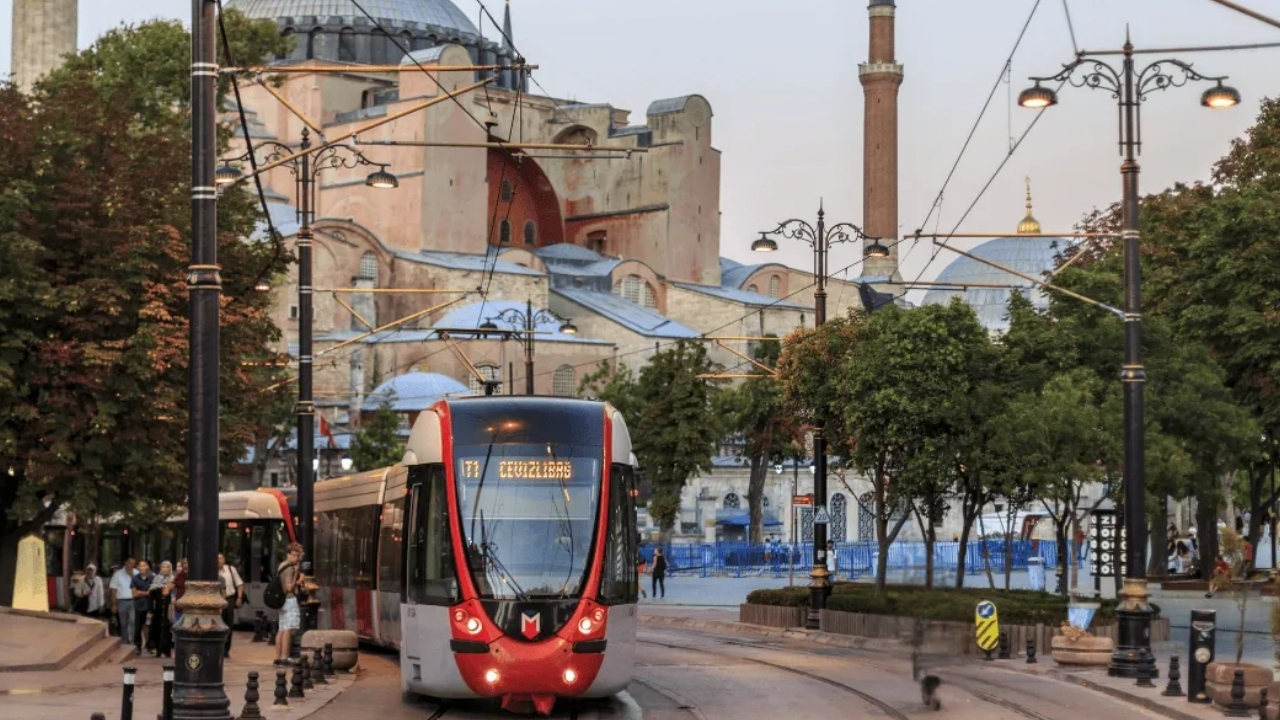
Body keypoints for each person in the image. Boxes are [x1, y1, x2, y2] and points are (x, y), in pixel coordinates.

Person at [275, 543, 303, 665]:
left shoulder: (282, 565)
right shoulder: (289, 568)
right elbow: (289, 588)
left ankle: (279, 656)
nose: (295, 558)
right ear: (288, 554)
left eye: (297, 556)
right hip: (289, 600)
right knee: (289, 629)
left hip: (282, 601)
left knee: (282, 628)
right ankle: (284, 656)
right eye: (293, 555)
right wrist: (298, 577)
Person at [218, 553, 245, 658]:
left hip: (229, 599)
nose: (219, 560)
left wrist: (239, 597)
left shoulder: (230, 569)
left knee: (228, 624)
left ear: (224, 560)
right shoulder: (211, 571)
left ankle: (226, 649)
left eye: (221, 558)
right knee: (218, 624)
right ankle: (218, 648)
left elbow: (239, 583)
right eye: (217, 559)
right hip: (217, 599)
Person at [149, 561, 175, 658]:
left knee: (167, 630)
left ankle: (167, 651)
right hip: (158, 609)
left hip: (169, 609)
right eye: (163, 567)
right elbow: (151, 596)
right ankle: (155, 651)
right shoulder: (156, 579)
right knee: (156, 629)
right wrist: (150, 610)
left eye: (167, 567)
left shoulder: (173, 580)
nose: (165, 569)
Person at [109, 558, 137, 645]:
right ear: (125, 563)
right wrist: (113, 604)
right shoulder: (117, 574)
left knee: (133, 621)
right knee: (123, 622)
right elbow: (113, 590)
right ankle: (125, 641)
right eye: (129, 563)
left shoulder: (136, 573)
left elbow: (140, 586)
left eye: (133, 563)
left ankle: (132, 640)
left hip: (134, 600)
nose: (131, 565)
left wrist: (132, 576)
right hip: (121, 601)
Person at [130, 560, 155, 654]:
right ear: (138, 567)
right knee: (137, 627)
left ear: (147, 567)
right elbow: (134, 594)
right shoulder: (135, 578)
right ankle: (137, 647)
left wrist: (140, 592)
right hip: (138, 606)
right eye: (140, 566)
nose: (142, 567)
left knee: (150, 627)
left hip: (149, 606)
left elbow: (152, 593)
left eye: (144, 565)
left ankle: (150, 646)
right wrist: (145, 593)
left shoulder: (152, 578)